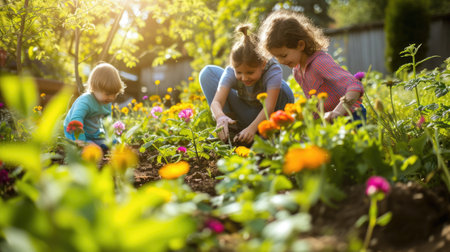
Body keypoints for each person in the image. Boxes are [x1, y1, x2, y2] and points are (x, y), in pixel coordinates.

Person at [259, 10, 366, 123]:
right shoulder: (297, 71)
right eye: (277, 57)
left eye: (284, 55)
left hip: (351, 116)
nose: (281, 61)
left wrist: (338, 112)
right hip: (330, 121)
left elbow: (355, 85)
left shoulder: (319, 62)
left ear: (300, 45)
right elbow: (315, 105)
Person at [199, 24, 294, 145]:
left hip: (268, 116)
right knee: (208, 72)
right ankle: (230, 130)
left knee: (283, 88)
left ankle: (265, 137)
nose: (244, 78)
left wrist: (252, 129)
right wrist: (220, 117)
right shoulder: (231, 72)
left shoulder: (273, 70)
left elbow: (269, 108)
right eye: (239, 72)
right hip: (246, 113)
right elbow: (217, 102)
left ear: (263, 64)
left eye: (250, 72)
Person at [64, 62, 126, 151]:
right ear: (94, 87)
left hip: (92, 135)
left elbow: (107, 123)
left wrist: (112, 141)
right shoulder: (85, 101)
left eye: (115, 94)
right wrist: (80, 140)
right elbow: (76, 119)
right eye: (108, 94)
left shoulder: (106, 102)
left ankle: (94, 144)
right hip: (75, 134)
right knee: (92, 150)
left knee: (107, 146)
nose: (111, 98)